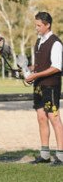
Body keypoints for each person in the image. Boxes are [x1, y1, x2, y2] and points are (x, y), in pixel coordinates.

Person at [25, 12, 63, 166]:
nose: (37, 28)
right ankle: (45, 155)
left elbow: (56, 67)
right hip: (39, 86)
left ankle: (61, 157)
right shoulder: (39, 41)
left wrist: (35, 75)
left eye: (39, 25)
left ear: (47, 25)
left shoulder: (56, 43)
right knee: (41, 118)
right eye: (36, 25)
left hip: (51, 86)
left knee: (54, 119)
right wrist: (30, 69)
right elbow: (41, 64)